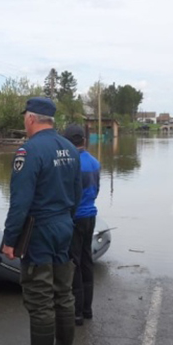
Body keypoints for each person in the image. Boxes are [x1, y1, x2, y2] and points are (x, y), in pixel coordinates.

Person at [2, 97, 82, 345]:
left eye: (25, 116)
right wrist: (66, 220)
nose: (24, 120)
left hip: (40, 228)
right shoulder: (70, 148)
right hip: (64, 225)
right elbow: (77, 192)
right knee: (63, 291)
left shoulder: (29, 151)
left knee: (39, 295)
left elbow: (20, 202)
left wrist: (10, 239)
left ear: (31, 118)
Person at [62, 124, 100, 326]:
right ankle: (87, 310)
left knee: (73, 263)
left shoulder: (71, 164)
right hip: (90, 215)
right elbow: (97, 189)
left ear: (68, 142)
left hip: (75, 217)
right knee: (86, 261)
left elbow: (67, 194)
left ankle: (76, 313)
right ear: (83, 141)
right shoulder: (95, 162)